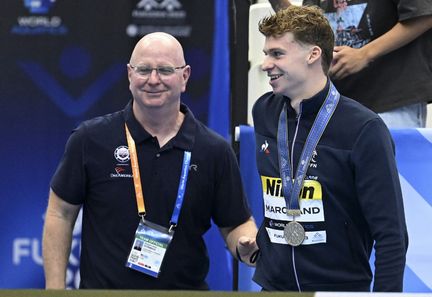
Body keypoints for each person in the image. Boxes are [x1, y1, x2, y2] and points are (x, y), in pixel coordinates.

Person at [42, 32, 258, 290]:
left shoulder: (213, 150)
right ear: (130, 75)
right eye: (144, 69)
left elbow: (235, 223)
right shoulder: (90, 139)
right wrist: (54, 291)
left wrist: (247, 245)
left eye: (165, 70)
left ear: (185, 76)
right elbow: (60, 213)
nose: (153, 80)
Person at [252, 5, 408, 292]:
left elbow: (392, 235)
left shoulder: (363, 128)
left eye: (277, 54)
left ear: (313, 55)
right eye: (266, 54)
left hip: (339, 288)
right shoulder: (263, 111)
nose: (266, 64)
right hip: (273, 287)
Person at [268, 0, 432, 128]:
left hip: (390, 102)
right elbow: (308, 28)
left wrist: (365, 54)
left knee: (387, 169)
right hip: (334, 105)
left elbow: (424, 15)